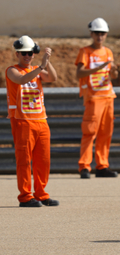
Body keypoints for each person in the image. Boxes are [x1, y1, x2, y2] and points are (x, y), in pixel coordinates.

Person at [6, 35, 59, 207]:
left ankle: (41, 194)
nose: (27, 56)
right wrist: (41, 66)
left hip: (41, 121)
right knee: (24, 160)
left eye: (29, 53)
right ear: (17, 54)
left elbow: (52, 78)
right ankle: (25, 196)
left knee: (43, 160)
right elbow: (21, 80)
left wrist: (47, 61)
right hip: (22, 121)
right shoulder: (11, 70)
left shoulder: (37, 69)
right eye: (23, 53)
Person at [75, 17, 119, 179]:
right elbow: (79, 73)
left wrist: (114, 70)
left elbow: (112, 75)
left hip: (108, 97)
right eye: (97, 33)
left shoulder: (108, 52)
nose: (100, 36)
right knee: (89, 132)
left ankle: (102, 166)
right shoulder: (85, 52)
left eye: (102, 33)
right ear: (91, 34)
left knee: (105, 133)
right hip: (93, 98)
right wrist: (98, 67)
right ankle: (84, 167)